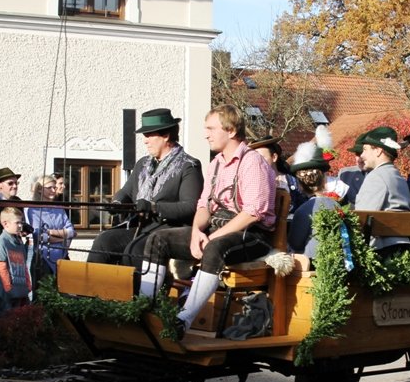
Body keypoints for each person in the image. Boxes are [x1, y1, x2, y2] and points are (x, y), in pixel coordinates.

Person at [140, 104, 276, 339]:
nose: (206, 135)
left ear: (231, 130)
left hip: (253, 235)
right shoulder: (216, 163)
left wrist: (211, 237)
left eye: (211, 129)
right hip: (218, 228)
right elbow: (204, 205)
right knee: (158, 239)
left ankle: (183, 320)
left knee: (214, 247)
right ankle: (143, 309)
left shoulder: (252, 162)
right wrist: (196, 232)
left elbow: (253, 213)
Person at [87, 109, 203, 265]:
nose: (145, 141)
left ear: (166, 136)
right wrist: (117, 203)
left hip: (168, 229)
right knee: (103, 241)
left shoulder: (188, 165)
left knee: (133, 250)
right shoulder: (142, 164)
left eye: (149, 135)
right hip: (140, 227)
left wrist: (153, 207)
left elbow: (191, 206)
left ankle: (137, 282)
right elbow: (126, 191)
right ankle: (89, 281)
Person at [354, 127, 410, 255]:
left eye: (365, 149)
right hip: (401, 245)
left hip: (382, 249)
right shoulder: (397, 175)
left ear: (378, 151)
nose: (362, 155)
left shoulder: (376, 177)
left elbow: (361, 218)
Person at [287, 144, 340, 260]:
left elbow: (295, 243)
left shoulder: (303, 210)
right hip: (336, 259)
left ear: (301, 185)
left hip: (312, 262)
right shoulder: (336, 204)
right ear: (323, 180)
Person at [26, 175, 76, 279]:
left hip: (62, 257)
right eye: (49, 188)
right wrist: (63, 238)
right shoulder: (34, 210)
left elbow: (71, 232)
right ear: (40, 189)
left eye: (54, 187)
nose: (53, 190)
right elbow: (40, 237)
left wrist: (51, 232)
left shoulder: (59, 209)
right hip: (43, 259)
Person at [0, 207, 32, 315]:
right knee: (6, 319)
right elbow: (1, 267)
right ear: (5, 224)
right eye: (17, 223)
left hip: (21, 289)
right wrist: (8, 288)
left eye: (21, 222)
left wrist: (28, 284)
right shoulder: (2, 241)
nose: (20, 226)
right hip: (7, 293)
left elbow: (24, 265)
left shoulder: (19, 241)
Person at [336, 135, 368, 207]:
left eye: (362, 154)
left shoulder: (380, 174)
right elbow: (337, 199)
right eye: (357, 154)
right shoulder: (345, 173)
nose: (359, 159)